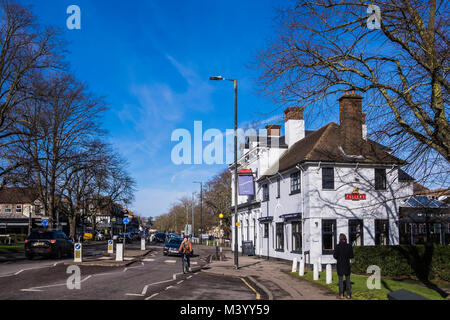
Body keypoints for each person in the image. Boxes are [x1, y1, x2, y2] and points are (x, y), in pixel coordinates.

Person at [333, 233, 354, 299]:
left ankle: (341, 294)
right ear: (345, 239)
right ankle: (348, 295)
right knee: (348, 280)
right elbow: (351, 256)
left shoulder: (337, 246)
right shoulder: (349, 246)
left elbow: (335, 256)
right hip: (347, 265)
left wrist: (339, 258)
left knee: (340, 280)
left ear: (340, 239)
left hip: (340, 265)